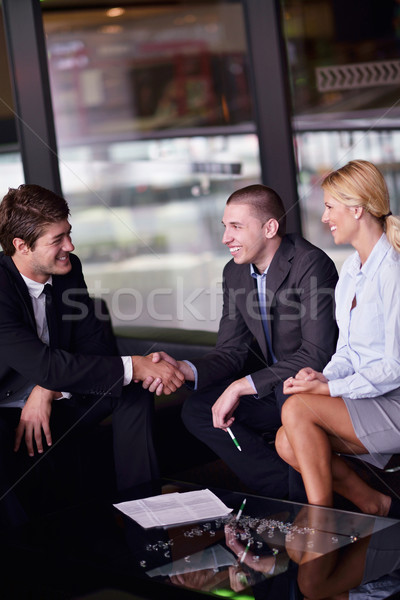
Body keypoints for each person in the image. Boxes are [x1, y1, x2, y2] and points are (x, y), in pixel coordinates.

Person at [0, 183, 184, 527]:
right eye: (57, 240)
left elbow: (95, 346)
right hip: (5, 408)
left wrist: (47, 389)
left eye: (68, 234)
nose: (69, 246)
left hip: (56, 395)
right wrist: (136, 365)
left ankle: (144, 513)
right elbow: (43, 364)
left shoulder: (69, 270)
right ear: (21, 246)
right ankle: (24, 555)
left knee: (132, 393)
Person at [148, 184, 338, 499]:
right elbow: (230, 352)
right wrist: (184, 368)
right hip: (272, 387)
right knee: (198, 409)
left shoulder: (310, 263)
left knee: (283, 397)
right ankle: (285, 494)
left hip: (310, 386)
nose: (226, 238)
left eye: (236, 227)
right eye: (225, 227)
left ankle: (307, 500)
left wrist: (239, 387)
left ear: (270, 228)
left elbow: (317, 354)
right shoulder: (235, 273)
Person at [275, 159, 400, 518]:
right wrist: (323, 377)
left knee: (298, 408)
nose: (324, 216)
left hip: (393, 401)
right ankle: (374, 503)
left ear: (357, 209)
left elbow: (393, 368)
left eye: (330, 206)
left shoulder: (393, 270)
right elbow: (346, 349)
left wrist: (328, 391)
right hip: (365, 398)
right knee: (286, 441)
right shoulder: (350, 270)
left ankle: (321, 520)